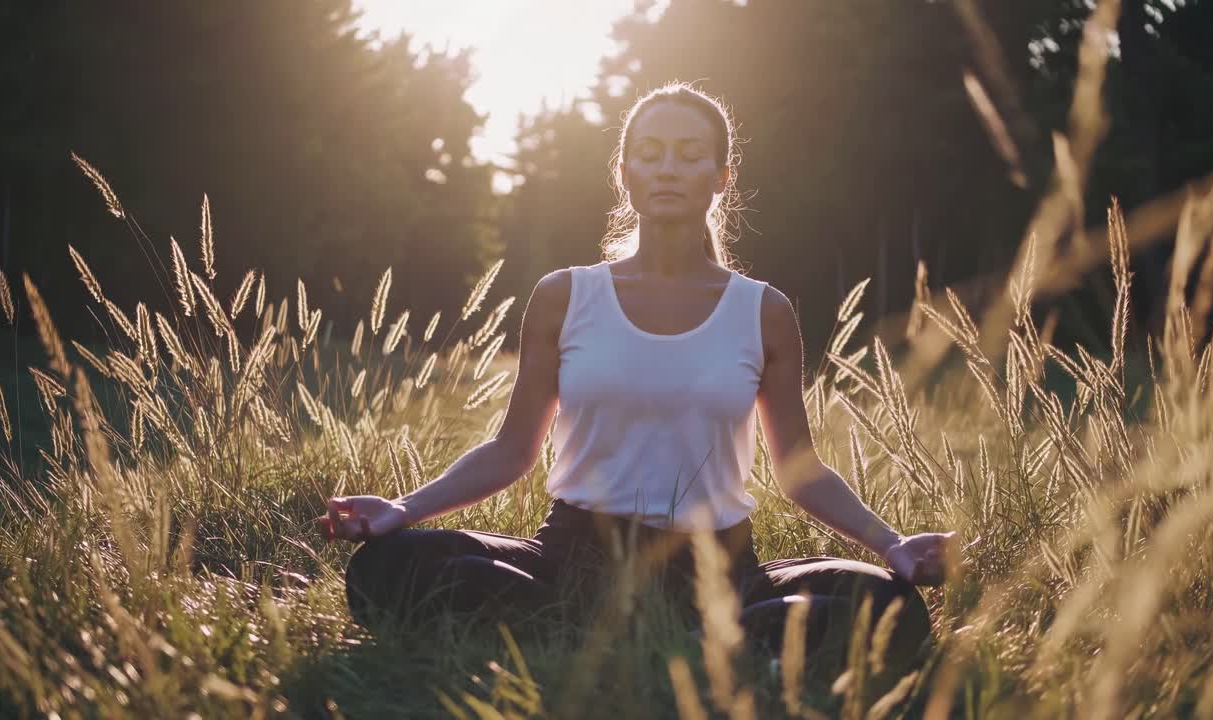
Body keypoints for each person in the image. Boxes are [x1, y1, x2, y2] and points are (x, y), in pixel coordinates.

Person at [316, 81, 956, 665]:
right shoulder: (565, 296)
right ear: (623, 173)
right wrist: (403, 508)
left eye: (688, 153)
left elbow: (799, 469)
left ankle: (617, 632)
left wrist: (891, 543)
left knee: (890, 605)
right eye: (649, 153)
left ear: (720, 177)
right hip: (571, 558)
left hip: (717, 567)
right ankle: (685, 644)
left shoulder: (763, 310)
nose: (668, 167)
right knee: (386, 566)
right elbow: (514, 449)